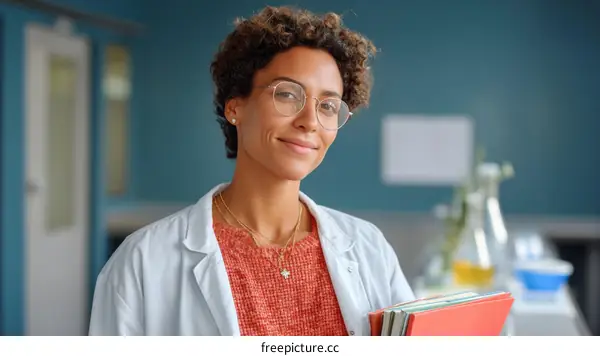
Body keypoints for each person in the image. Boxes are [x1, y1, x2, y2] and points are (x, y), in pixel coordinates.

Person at [88, 5, 415, 336]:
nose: (310, 121)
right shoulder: (142, 261)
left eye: (327, 106)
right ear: (235, 107)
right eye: (288, 94)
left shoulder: (369, 247)